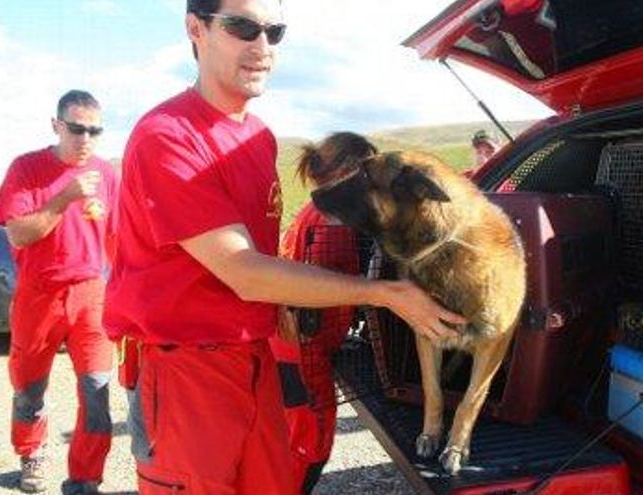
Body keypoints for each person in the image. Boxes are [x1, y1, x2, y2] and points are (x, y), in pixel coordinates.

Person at [103, 1, 464, 494]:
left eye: (275, 32)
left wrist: (286, 299)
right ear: (196, 29)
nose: (262, 47)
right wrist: (385, 293)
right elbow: (244, 271)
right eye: (243, 27)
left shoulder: (257, 138)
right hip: (188, 370)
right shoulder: (168, 136)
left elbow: (261, 268)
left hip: (255, 357)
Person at [0, 90, 118, 495]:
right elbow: (19, 234)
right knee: (29, 388)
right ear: (56, 125)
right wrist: (65, 197)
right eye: (77, 128)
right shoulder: (27, 168)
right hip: (38, 295)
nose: (86, 139)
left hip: (91, 295)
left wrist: (122, 292)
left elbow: (117, 239)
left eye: (95, 130)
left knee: (97, 391)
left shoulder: (107, 174)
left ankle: (85, 479)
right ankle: (31, 453)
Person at [269, 132, 377, 494]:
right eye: (368, 171)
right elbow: (331, 287)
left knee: (299, 434)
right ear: (349, 170)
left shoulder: (313, 209)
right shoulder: (332, 219)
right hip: (304, 349)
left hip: (294, 345)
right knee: (310, 442)